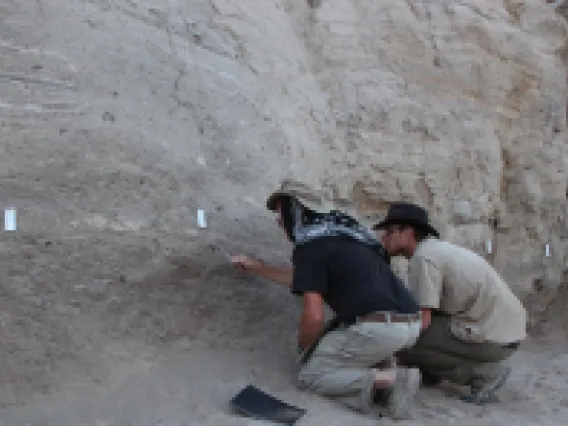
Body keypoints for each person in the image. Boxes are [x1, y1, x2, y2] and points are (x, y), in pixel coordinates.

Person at [231, 180, 423, 420]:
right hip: (410, 324)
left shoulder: (311, 245)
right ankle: (385, 371)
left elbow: (314, 314)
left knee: (311, 376)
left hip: (378, 328)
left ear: (297, 212)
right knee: (349, 339)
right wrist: (258, 269)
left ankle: (391, 379)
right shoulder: (352, 237)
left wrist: (306, 351)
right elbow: (308, 279)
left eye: (282, 213)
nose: (279, 221)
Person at [374, 201, 527, 404]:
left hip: (494, 337)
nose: (384, 239)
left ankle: (482, 374)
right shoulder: (434, 250)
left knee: (402, 340)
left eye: (390, 232)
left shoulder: (424, 259)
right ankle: (433, 371)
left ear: (408, 233)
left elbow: (423, 320)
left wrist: (384, 344)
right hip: (504, 331)